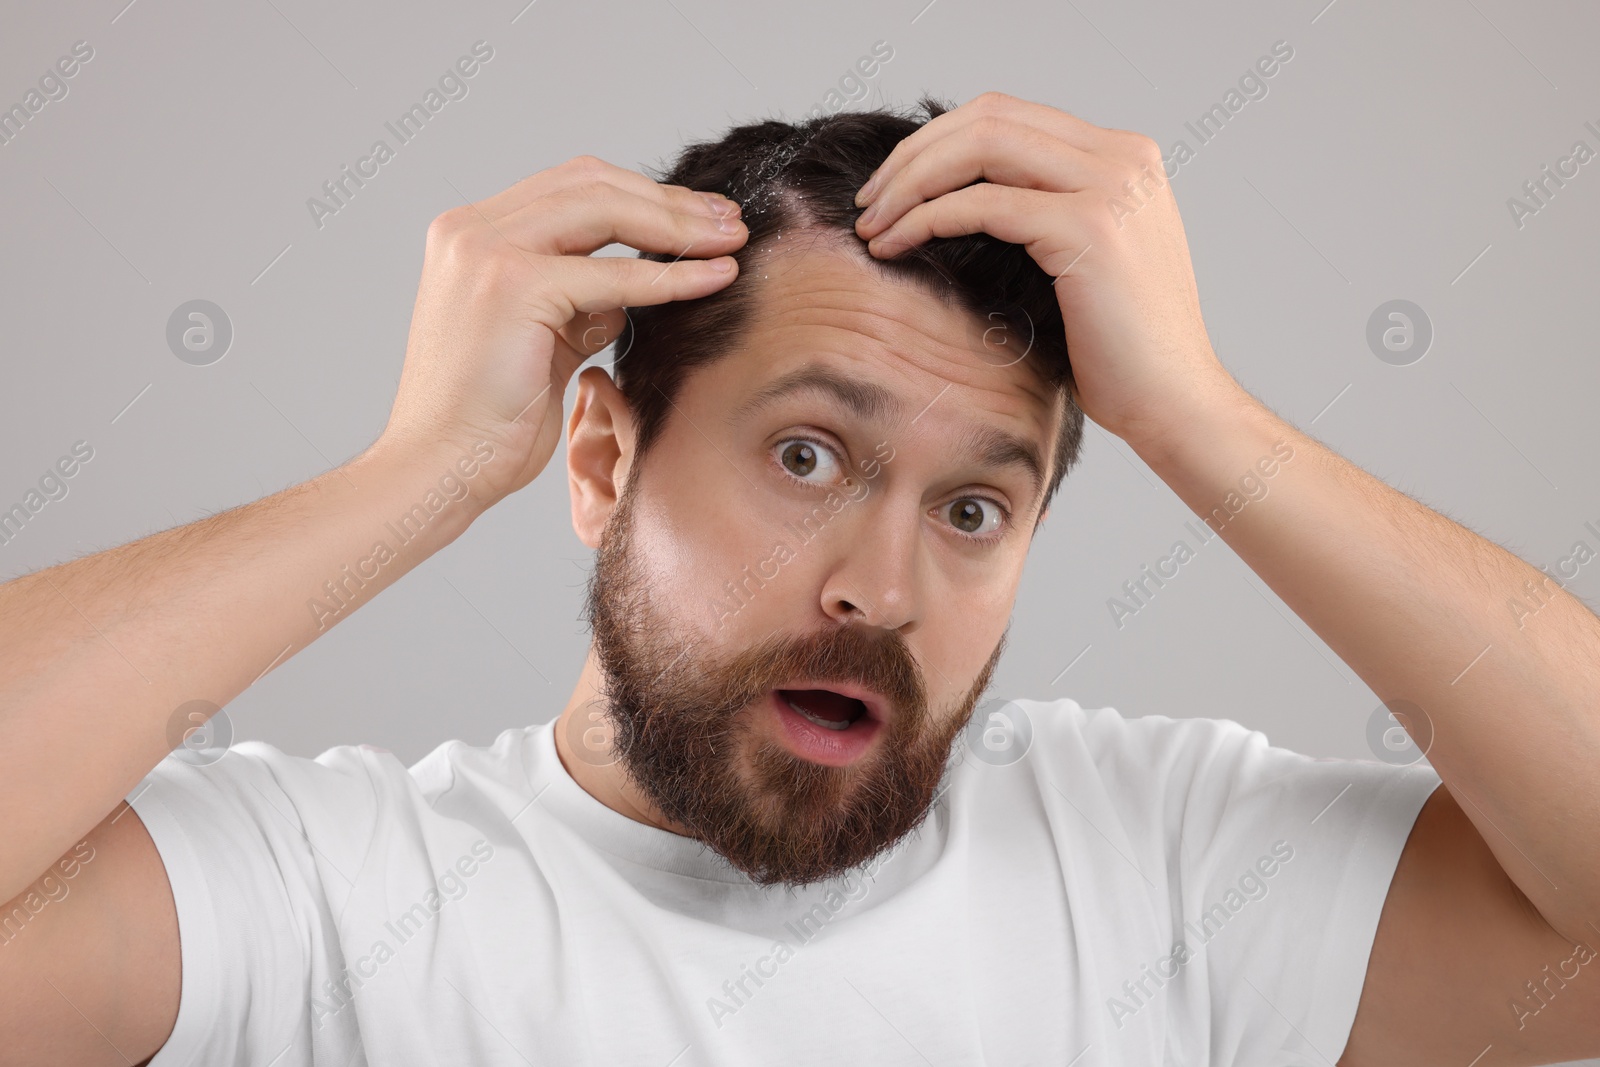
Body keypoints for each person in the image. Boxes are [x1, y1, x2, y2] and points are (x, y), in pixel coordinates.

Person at [1, 92, 1597, 1066]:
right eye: (811, 458)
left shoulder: (1171, 871)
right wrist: (412, 480)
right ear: (603, 464)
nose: (880, 590)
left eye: (978, 506)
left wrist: (1201, 420)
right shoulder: (319, 899)